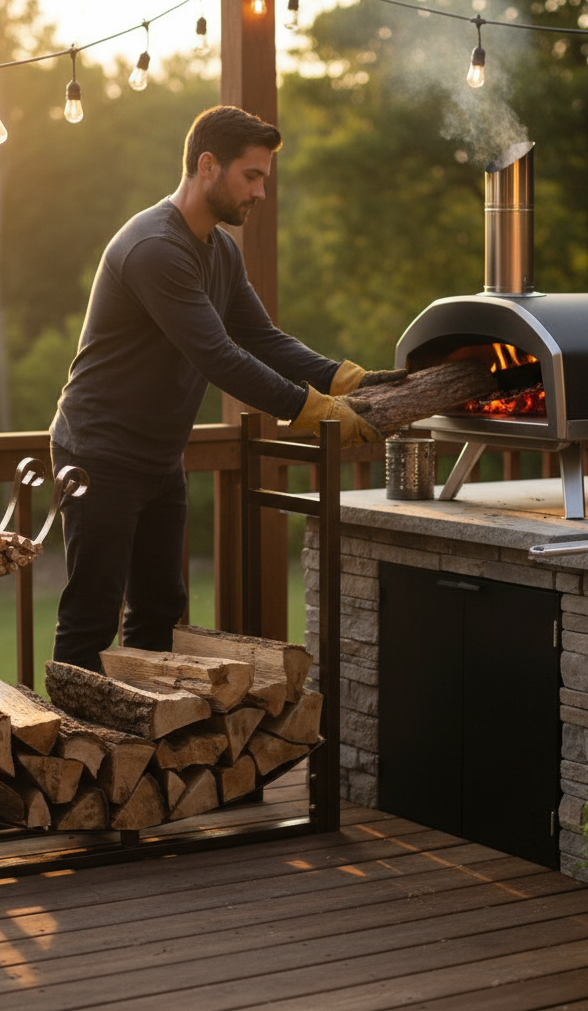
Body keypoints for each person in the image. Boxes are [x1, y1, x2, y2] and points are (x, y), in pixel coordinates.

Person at [49, 104, 403, 672]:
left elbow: (260, 336)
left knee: (160, 607)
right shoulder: (156, 248)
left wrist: (344, 378)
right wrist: (314, 411)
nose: (261, 193)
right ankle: (66, 755)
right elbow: (217, 357)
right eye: (253, 176)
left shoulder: (220, 249)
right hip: (99, 452)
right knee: (91, 617)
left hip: (159, 456)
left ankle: (139, 745)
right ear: (207, 166)